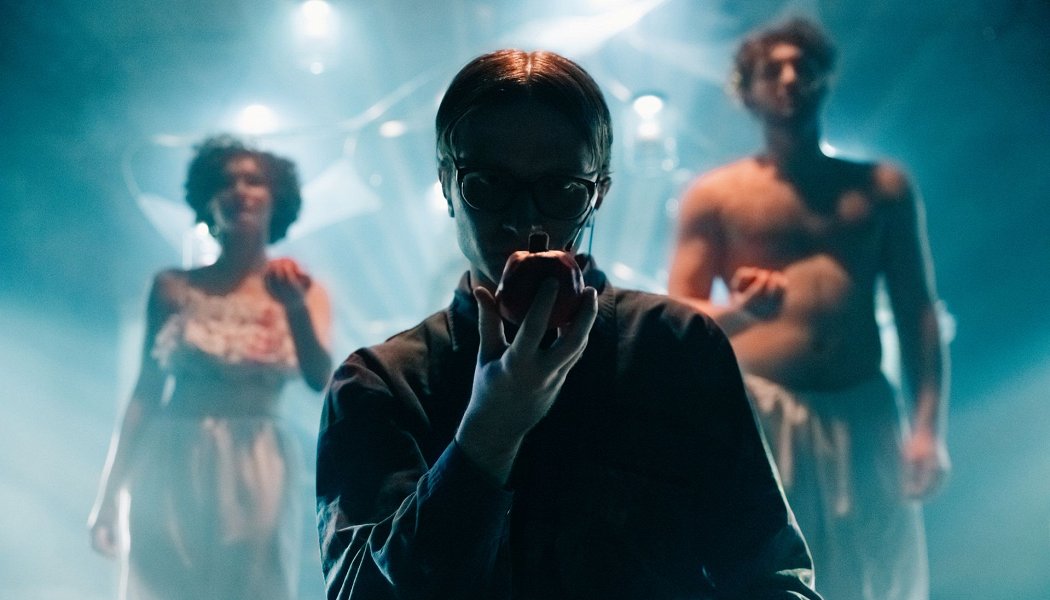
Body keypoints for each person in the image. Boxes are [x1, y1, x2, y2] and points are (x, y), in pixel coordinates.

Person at [316, 49, 821, 600]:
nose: (525, 218)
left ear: (598, 192)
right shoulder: (381, 384)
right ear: (446, 183)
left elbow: (770, 575)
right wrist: (487, 434)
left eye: (560, 188)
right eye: (488, 183)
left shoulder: (677, 346)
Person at [667, 17, 950, 600]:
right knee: (771, 575)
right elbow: (675, 319)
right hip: (763, 414)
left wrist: (928, 430)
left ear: (826, 80)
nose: (791, 78)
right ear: (748, 91)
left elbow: (918, 312)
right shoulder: (714, 195)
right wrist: (743, 312)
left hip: (866, 412)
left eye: (805, 66)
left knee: (877, 577)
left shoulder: (884, 188)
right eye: (773, 69)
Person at [88, 135, 333, 600]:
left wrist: (294, 308)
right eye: (225, 181)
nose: (239, 190)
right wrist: (107, 498)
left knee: (251, 586)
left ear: (276, 198)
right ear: (207, 201)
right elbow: (144, 392)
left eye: (253, 180)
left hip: (257, 459)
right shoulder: (171, 286)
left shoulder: (307, 290)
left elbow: (321, 378)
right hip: (170, 454)